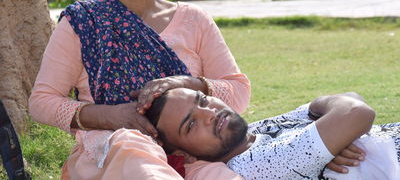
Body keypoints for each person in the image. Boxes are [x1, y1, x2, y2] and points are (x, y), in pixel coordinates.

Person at [29, 0, 251, 179]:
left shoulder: (194, 20)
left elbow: (239, 91)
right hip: (117, 154)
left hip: (193, 155)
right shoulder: (83, 23)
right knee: (135, 149)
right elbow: (41, 102)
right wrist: (110, 117)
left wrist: (186, 83)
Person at [146, 88, 400, 180]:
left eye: (202, 100)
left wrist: (342, 133)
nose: (209, 113)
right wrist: (336, 123)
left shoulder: (255, 131)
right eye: (191, 124)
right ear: (184, 155)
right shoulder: (254, 165)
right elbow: (357, 112)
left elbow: (349, 99)